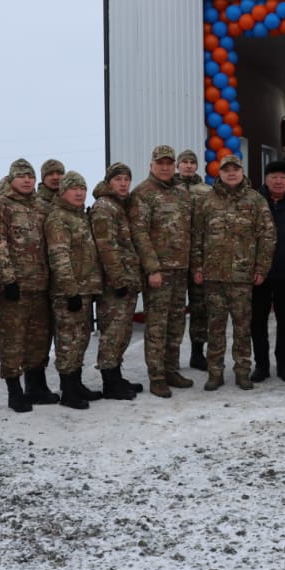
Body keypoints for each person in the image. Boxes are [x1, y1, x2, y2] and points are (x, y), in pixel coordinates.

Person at [191, 153, 275, 390]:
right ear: (220, 172)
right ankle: (215, 372)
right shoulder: (207, 201)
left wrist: (261, 268)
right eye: (226, 170)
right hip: (213, 276)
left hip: (242, 277)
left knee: (242, 328)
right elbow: (196, 237)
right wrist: (197, 267)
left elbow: (267, 237)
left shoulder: (256, 200)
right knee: (215, 327)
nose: (231, 173)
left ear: (242, 172)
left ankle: (242, 371)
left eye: (235, 169)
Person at [0, 158, 55, 412]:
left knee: (38, 340)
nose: (27, 180)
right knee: (13, 340)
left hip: (41, 285)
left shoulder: (41, 207)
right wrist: (7, 278)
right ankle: (15, 392)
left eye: (30, 176)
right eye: (21, 176)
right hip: (15, 287)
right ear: (11, 179)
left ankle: (36, 388)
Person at [129, 145, 195, 397]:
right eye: (161, 163)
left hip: (180, 270)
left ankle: (170, 369)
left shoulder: (181, 192)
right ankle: (156, 376)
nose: (165, 167)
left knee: (177, 322)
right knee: (157, 325)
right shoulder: (143, 194)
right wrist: (152, 269)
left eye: (169, 163)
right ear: (151, 165)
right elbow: (140, 234)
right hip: (159, 272)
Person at [45, 171, 104, 409]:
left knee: (81, 338)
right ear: (63, 192)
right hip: (69, 293)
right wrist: (70, 291)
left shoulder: (80, 216)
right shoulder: (58, 218)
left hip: (85, 289)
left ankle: (76, 383)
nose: (80, 193)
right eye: (74, 188)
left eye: (83, 188)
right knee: (68, 340)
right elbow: (59, 256)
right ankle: (68, 390)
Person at [90, 162, 144, 399]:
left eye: (126, 179)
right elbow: (106, 247)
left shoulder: (120, 205)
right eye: (118, 179)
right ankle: (110, 382)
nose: (123, 184)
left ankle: (116, 376)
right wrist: (118, 278)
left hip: (127, 280)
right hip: (115, 284)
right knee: (112, 332)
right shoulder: (104, 207)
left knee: (122, 332)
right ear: (109, 181)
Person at [251, 160, 285, 382]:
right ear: (266, 179)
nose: (278, 181)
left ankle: (284, 364)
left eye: (283, 177)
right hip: (259, 275)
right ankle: (261, 365)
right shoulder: (255, 204)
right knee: (258, 321)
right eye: (273, 177)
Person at [176, 150, 213, 370]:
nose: (188, 166)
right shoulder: (170, 189)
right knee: (176, 310)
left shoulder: (206, 191)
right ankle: (171, 356)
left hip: (200, 258)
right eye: (185, 162)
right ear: (179, 165)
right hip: (176, 259)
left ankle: (198, 353)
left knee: (200, 308)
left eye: (192, 162)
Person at [36, 158, 66, 376]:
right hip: (40, 278)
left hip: (62, 280)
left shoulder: (68, 202)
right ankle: (36, 382)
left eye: (59, 173)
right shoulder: (37, 204)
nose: (56, 177)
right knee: (40, 334)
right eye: (51, 174)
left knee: (65, 333)